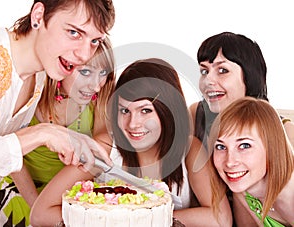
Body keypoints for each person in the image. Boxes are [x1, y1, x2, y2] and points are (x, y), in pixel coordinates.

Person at [30, 58, 232, 226]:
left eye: (145, 111)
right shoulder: (105, 148)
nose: (133, 124)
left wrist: (143, 218)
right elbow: (40, 212)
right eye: (124, 110)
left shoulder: (189, 150)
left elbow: (221, 219)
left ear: (168, 111)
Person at [0, 37, 115, 226]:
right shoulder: (34, 93)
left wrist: (50, 206)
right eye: (85, 72)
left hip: (64, 195)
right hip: (21, 189)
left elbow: (99, 151)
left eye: (103, 73)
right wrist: (37, 206)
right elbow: (11, 149)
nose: (96, 85)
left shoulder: (100, 98)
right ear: (64, 66)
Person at [0, 0, 115, 177]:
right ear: (38, 16)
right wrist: (42, 134)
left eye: (95, 40)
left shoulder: (40, 75)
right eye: (73, 32)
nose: (84, 55)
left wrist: (56, 133)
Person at [189, 32, 294, 155]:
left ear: (249, 76)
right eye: (204, 71)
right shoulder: (195, 115)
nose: (208, 81)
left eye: (223, 70)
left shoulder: (285, 131)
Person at [208, 97, 294, 226]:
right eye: (221, 147)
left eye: (244, 146)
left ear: (272, 148)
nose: (230, 162)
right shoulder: (244, 190)